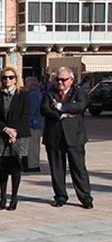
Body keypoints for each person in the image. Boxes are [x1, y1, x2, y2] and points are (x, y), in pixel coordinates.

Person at [42, 67, 93, 209]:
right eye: (57, 79)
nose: (60, 83)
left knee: (78, 168)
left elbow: (80, 106)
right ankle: (60, 196)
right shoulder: (49, 94)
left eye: (63, 80)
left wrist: (59, 106)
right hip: (54, 137)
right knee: (57, 169)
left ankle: (85, 197)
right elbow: (44, 109)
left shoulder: (79, 92)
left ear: (71, 80)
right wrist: (62, 114)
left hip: (74, 137)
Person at [0, 67, 31, 211]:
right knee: (3, 168)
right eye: (5, 78)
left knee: (16, 167)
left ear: (16, 79)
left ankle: (14, 197)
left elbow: (26, 116)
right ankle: (3, 197)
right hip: (1, 135)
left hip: (19, 136)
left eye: (11, 77)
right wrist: (5, 129)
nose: (8, 80)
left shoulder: (23, 95)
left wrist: (14, 133)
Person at [24, 77, 44, 172]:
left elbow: (30, 110)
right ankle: (33, 163)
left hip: (33, 123)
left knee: (32, 146)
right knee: (34, 145)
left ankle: (33, 165)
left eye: (26, 83)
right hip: (37, 123)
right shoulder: (37, 94)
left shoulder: (33, 95)